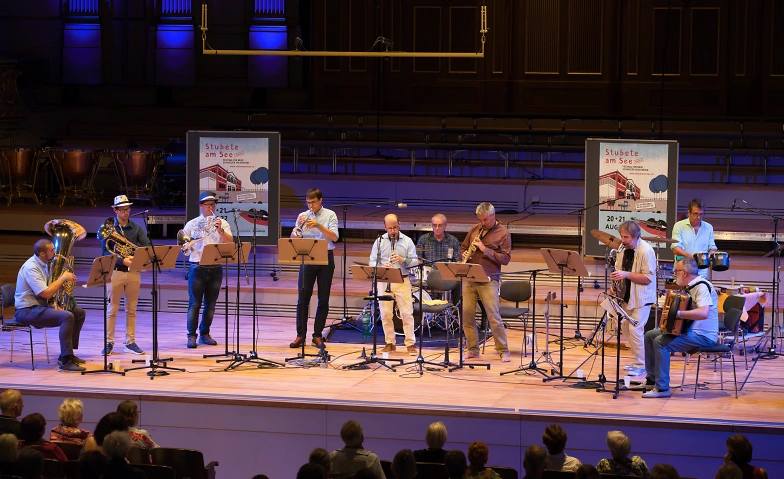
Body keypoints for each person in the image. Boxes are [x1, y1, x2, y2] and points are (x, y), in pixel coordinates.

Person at [643, 257, 719, 398]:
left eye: (676, 271)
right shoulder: (690, 287)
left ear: (684, 273)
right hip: (690, 331)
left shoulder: (701, 287)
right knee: (650, 335)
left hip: (703, 336)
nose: (674, 274)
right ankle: (651, 381)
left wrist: (677, 313)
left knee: (660, 342)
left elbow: (704, 313)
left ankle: (662, 388)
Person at [13, 238, 86, 372]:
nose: (55, 252)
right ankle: (66, 361)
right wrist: (63, 278)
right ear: (42, 253)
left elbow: (48, 290)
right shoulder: (31, 268)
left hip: (39, 307)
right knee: (67, 317)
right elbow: (46, 293)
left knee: (79, 313)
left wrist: (57, 300)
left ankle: (68, 353)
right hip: (27, 310)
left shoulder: (43, 264)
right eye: (52, 250)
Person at [99, 194, 151, 356]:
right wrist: (123, 261)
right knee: (112, 310)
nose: (125, 212)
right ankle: (108, 342)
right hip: (115, 272)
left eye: (127, 209)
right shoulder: (109, 229)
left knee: (131, 310)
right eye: (122, 210)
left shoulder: (136, 228)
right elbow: (105, 253)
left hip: (133, 272)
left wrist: (137, 259)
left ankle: (130, 342)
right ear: (115, 210)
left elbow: (147, 246)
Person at [181, 191, 233, 348]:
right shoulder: (192, 224)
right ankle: (191, 335)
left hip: (216, 268)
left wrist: (220, 230)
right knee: (194, 304)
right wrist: (186, 245)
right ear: (201, 206)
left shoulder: (222, 223)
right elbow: (183, 245)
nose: (211, 207)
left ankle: (204, 333)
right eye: (207, 205)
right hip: (197, 267)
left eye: (212, 205)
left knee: (210, 304)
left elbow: (230, 243)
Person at [460, 202, 511, 362]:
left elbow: (505, 259)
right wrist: (464, 254)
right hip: (470, 277)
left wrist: (484, 249)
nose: (482, 223)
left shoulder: (503, 233)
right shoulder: (475, 229)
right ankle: (472, 350)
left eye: (485, 220)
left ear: (493, 215)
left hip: (489, 279)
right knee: (467, 316)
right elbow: (463, 247)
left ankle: (503, 350)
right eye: (480, 220)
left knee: (493, 317)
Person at [289, 188, 339, 349]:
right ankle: (300, 335)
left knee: (323, 299)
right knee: (302, 299)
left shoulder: (330, 215)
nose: (311, 206)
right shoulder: (303, 216)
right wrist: (297, 228)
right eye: (308, 203)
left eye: (313, 202)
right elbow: (293, 239)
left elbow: (335, 237)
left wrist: (318, 226)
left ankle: (317, 335)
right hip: (307, 258)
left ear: (320, 200)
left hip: (325, 257)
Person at [609, 220, 657, 377]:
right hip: (626, 295)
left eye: (626, 237)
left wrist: (625, 274)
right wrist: (614, 284)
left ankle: (642, 365)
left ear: (636, 236)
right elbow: (618, 270)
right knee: (624, 327)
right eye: (622, 236)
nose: (623, 240)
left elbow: (648, 278)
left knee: (635, 329)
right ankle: (638, 361)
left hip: (642, 297)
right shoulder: (622, 249)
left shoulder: (647, 251)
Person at [369, 214, 419, 356]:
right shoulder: (379, 241)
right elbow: (372, 262)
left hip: (402, 280)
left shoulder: (407, 241)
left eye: (395, 227)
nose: (393, 231)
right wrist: (381, 266)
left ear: (399, 224)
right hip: (384, 280)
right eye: (390, 228)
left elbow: (415, 262)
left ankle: (410, 343)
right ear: (385, 227)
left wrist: (403, 260)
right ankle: (390, 343)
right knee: (385, 314)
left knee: (406, 313)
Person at [417, 214, 462, 303]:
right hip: (429, 274)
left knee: (459, 282)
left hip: (447, 274)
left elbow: (457, 261)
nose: (437, 228)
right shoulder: (424, 239)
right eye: (434, 225)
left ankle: (455, 309)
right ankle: (422, 308)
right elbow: (418, 259)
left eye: (440, 225)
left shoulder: (453, 240)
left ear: (445, 225)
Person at [671, 198, 717, 279]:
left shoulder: (708, 227)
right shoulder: (679, 226)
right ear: (689, 212)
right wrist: (692, 257)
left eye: (701, 214)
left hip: (701, 273)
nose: (698, 217)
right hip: (683, 271)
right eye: (695, 214)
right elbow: (675, 249)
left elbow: (712, 247)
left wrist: (711, 254)